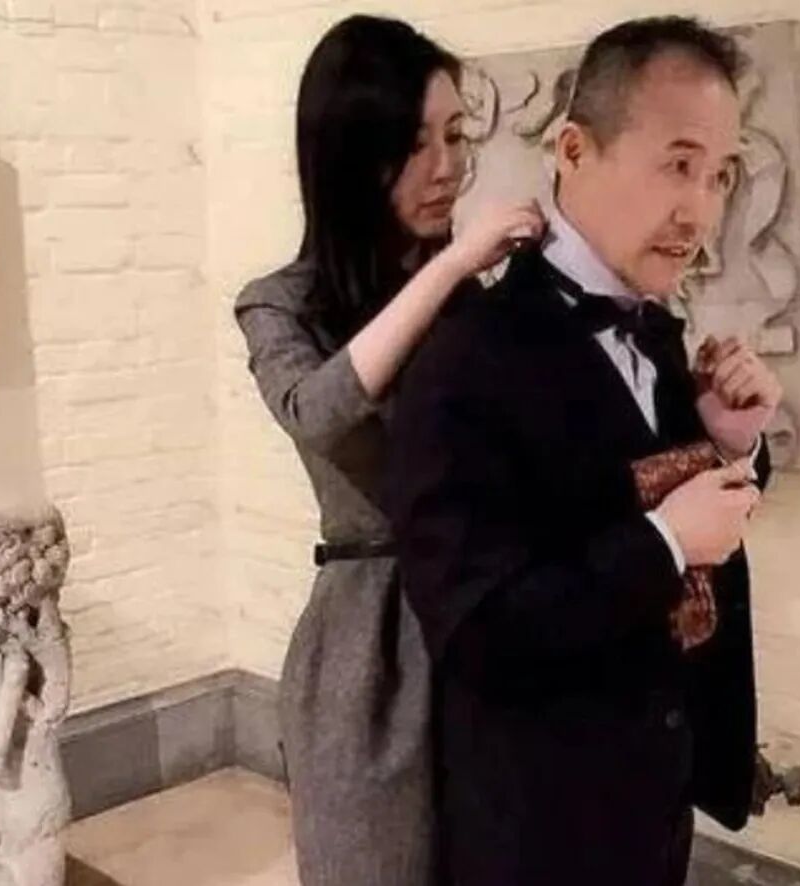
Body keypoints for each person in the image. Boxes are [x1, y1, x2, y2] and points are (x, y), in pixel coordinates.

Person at [384, 16, 784, 886]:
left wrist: (731, 445)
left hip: (652, 804)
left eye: (720, 174)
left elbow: (650, 497)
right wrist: (665, 542)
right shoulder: (464, 359)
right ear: (573, 149)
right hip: (538, 827)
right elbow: (477, 631)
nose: (701, 209)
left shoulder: (658, 331)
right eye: (678, 164)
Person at [233, 15, 544, 886]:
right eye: (413, 144)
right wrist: (450, 269)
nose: (445, 167)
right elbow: (318, 412)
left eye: (456, 135)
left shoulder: (480, 301)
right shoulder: (280, 304)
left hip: (485, 620)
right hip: (369, 650)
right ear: (348, 153)